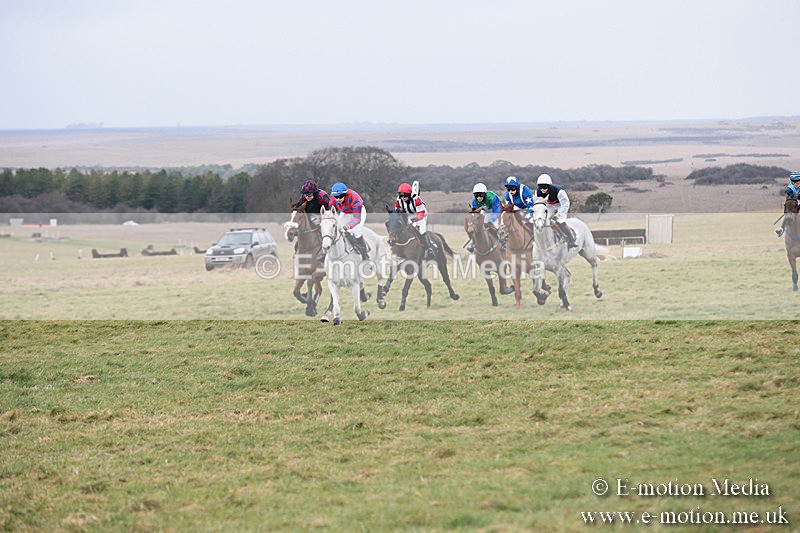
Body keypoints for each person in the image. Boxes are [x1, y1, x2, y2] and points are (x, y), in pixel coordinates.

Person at [395, 182, 437, 259]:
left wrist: (414, 220)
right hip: (409, 214)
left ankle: (429, 249)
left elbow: (421, 213)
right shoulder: (398, 200)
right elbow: (397, 211)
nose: (403, 198)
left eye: (405, 195)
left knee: (421, 230)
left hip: (421, 214)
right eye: (401, 195)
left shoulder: (416, 199)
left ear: (409, 195)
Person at [330, 181, 369, 260]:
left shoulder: (355, 200)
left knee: (356, 232)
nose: (338, 199)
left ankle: (365, 254)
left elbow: (357, 219)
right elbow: (329, 212)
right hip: (345, 212)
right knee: (338, 229)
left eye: (340, 197)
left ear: (345, 195)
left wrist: (349, 226)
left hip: (358, 212)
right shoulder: (333, 198)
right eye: (336, 197)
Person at [535, 173, 576, 248]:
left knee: (560, 221)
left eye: (544, 187)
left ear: (549, 186)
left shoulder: (559, 191)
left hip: (560, 205)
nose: (542, 190)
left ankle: (571, 239)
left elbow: (565, 204)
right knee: (544, 220)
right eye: (540, 187)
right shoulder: (537, 192)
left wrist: (558, 215)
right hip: (549, 206)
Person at [468, 182, 502, 253]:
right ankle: (473, 243)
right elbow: (476, 214)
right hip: (485, 212)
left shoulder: (493, 197)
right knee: (477, 227)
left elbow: (497, 211)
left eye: (481, 195)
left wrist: (491, 221)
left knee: (497, 226)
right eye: (476, 195)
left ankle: (503, 242)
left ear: (485, 194)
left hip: (496, 211)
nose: (478, 197)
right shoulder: (474, 201)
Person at [775, 171, 800, 237]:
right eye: (793, 182)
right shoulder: (789, 188)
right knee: (788, 214)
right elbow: (788, 199)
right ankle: (781, 229)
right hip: (795, 201)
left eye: (797, 182)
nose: (795, 184)